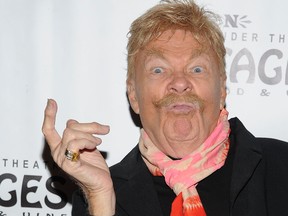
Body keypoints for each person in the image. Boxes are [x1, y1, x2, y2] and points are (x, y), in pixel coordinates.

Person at [42, 0, 288, 215]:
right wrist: (101, 202)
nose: (180, 83)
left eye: (197, 69)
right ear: (133, 95)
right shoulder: (104, 193)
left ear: (222, 88)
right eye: (158, 70)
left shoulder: (281, 165)